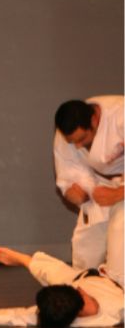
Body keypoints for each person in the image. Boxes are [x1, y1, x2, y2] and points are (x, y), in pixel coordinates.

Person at [0, 246, 123, 328]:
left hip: (82, 279)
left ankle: (24, 260)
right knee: (53, 272)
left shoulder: (63, 311)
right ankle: (25, 260)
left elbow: (16, 316)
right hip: (106, 280)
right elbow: (17, 316)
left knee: (53, 272)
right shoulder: (118, 307)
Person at [53, 97, 123, 275]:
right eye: (72, 141)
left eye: (82, 138)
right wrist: (76, 194)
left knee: (120, 248)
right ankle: (82, 288)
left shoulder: (120, 116)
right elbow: (67, 176)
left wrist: (119, 193)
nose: (78, 145)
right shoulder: (65, 136)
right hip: (98, 186)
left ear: (94, 119)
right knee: (84, 253)